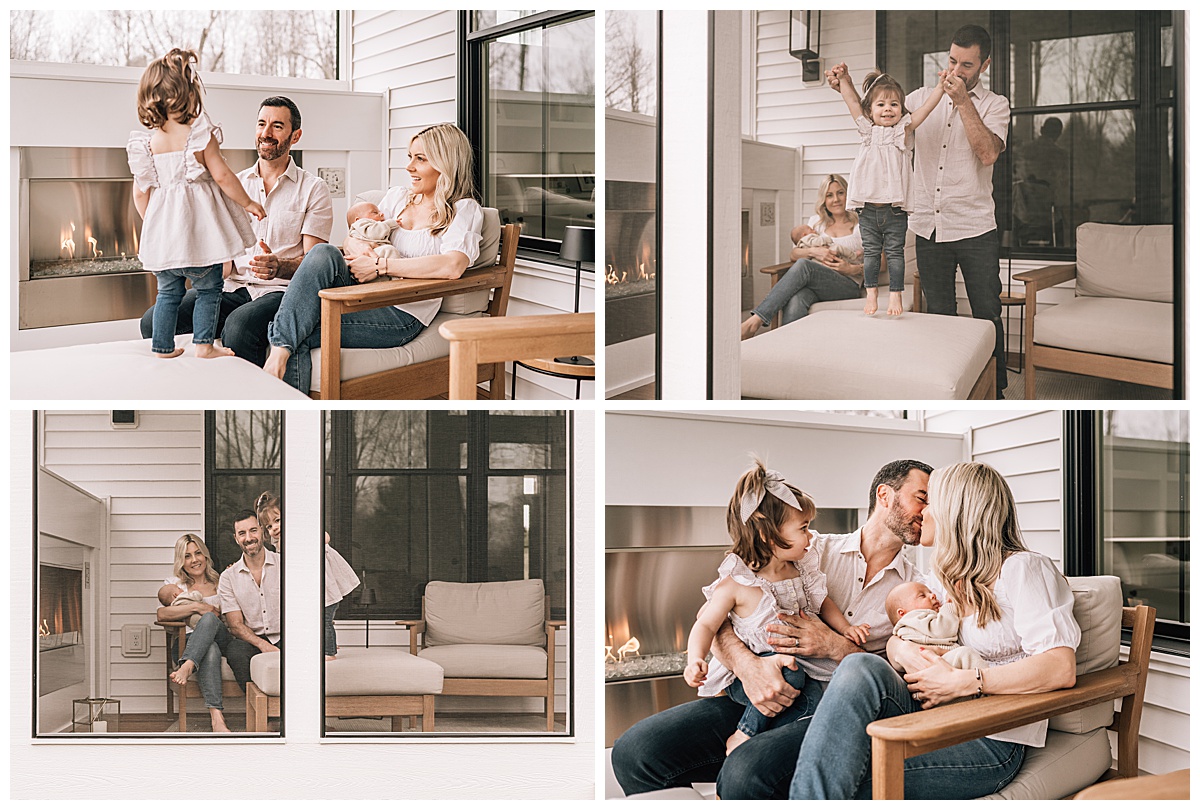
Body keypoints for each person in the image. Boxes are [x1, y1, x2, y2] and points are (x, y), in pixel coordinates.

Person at [612, 459, 932, 799]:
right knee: (634, 754)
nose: (927, 511)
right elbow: (716, 619)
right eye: (921, 498)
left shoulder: (921, 591)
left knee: (745, 774)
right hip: (758, 694)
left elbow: (899, 685)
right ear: (885, 495)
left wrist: (834, 645)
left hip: (830, 712)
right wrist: (750, 668)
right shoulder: (806, 548)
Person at [789, 462, 1079, 799]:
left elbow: (1060, 667)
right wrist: (906, 651)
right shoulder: (941, 579)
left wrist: (964, 682)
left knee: (850, 779)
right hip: (933, 712)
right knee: (859, 666)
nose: (923, 513)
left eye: (932, 502)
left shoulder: (1023, 569)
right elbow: (903, 635)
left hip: (990, 737)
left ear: (956, 511)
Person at [834, 25, 1011, 396]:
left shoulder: (995, 105)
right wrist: (846, 86)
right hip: (929, 227)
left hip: (976, 227)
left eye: (966, 64)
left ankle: (996, 391)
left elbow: (988, 153)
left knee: (987, 313)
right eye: (951, 61)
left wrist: (963, 101)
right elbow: (876, 118)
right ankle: (951, 387)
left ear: (984, 65)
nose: (956, 70)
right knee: (940, 315)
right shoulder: (915, 99)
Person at [263, 123, 485, 392]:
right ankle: (277, 361)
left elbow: (453, 266)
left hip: (400, 311)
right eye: (410, 157)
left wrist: (381, 265)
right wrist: (354, 244)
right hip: (363, 290)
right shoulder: (398, 197)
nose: (409, 167)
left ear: (446, 164)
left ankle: (281, 388)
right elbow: (356, 233)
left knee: (299, 327)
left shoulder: (463, 209)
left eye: (420, 159)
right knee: (324, 252)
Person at [684, 459, 869, 756]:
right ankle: (744, 734)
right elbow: (705, 624)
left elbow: (823, 603)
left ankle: (771, 750)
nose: (811, 537)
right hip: (749, 676)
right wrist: (695, 659)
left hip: (795, 667)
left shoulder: (801, 569)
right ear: (769, 536)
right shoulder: (738, 581)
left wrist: (847, 629)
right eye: (804, 529)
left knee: (812, 697)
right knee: (793, 677)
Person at [139, 95, 334, 367]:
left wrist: (279, 266)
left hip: (278, 292)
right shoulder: (235, 184)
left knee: (239, 328)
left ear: (296, 135)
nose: (266, 133)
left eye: (277, 126)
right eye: (261, 124)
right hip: (230, 286)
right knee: (152, 321)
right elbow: (217, 247)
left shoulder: (313, 189)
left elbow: (314, 263)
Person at [126, 48, 265, 359]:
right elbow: (224, 176)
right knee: (209, 288)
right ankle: (203, 345)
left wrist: (155, 224)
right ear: (188, 94)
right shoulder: (199, 134)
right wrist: (249, 202)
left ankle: (161, 346)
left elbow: (139, 192)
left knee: (168, 293)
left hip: (165, 240)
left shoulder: (147, 143)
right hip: (201, 239)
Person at [831, 66, 946, 316]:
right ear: (870, 112)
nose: (888, 109)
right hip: (868, 210)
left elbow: (925, 109)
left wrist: (940, 88)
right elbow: (851, 100)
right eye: (881, 105)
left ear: (902, 109)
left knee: (895, 255)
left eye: (894, 104)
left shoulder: (903, 132)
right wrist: (843, 81)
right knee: (871, 255)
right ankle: (871, 293)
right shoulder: (867, 132)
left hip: (895, 210)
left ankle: (895, 295)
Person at [741, 174, 865, 340]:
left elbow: (882, 263)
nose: (836, 199)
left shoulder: (860, 224)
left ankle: (757, 319)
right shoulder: (815, 223)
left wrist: (851, 268)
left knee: (804, 266)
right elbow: (794, 254)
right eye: (829, 195)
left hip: (847, 285)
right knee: (798, 297)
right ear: (824, 200)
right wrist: (815, 252)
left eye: (840, 193)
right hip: (818, 284)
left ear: (848, 194)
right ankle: (786, 348)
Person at [253, 491, 359, 660]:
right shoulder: (278, 542)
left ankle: (329, 653)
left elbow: (325, 537)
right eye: (269, 526)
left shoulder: (302, 532)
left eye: (278, 520)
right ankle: (320, 646)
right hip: (310, 588)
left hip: (326, 587)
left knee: (324, 618)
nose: (275, 528)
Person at [155, 533, 233, 733]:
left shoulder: (222, 582)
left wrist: (208, 613)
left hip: (221, 637)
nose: (194, 560)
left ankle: (187, 665)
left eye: (198, 553)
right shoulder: (175, 585)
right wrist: (197, 607)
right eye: (187, 556)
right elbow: (162, 613)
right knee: (210, 649)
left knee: (209, 621)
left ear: (205, 555)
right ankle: (217, 719)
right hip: (186, 642)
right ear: (181, 561)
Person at [217, 510, 282, 693]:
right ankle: (261, 713)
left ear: (262, 531)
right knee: (236, 652)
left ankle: (291, 715)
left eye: (253, 530)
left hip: (286, 636)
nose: (248, 538)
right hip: (252, 640)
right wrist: (264, 646)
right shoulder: (228, 577)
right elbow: (235, 625)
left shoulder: (285, 565)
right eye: (242, 533)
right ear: (236, 538)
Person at [884, 580, 987, 674]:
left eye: (930, 592)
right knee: (966, 654)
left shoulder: (916, 623)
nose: (933, 595)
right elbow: (943, 630)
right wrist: (950, 606)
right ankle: (987, 687)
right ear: (902, 612)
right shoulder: (913, 618)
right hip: (935, 662)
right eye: (922, 596)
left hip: (937, 664)